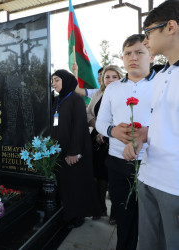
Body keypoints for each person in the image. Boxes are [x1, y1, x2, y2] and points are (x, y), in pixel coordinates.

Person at [123, 1, 179, 249]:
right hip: (148, 176)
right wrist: (143, 136)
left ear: (171, 27)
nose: (144, 41)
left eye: (148, 33)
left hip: (174, 186)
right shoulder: (163, 74)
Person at [96, 34, 155, 250]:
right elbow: (101, 122)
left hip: (153, 162)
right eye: (128, 53)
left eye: (140, 52)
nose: (133, 57)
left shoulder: (163, 83)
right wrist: (113, 131)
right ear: (122, 58)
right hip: (118, 162)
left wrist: (146, 136)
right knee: (124, 217)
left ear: (151, 55)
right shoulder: (112, 88)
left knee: (151, 221)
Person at [51, 69, 100, 228]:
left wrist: (74, 152)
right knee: (65, 183)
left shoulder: (75, 99)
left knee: (76, 183)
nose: (54, 83)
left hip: (74, 150)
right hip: (60, 150)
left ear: (66, 80)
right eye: (53, 80)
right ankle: (68, 212)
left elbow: (80, 127)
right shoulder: (57, 100)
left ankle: (77, 216)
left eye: (57, 80)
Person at [86, 65, 124, 224]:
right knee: (98, 176)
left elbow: (125, 115)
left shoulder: (125, 93)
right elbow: (88, 113)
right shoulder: (97, 93)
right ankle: (99, 208)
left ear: (120, 77)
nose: (110, 80)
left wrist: (106, 130)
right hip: (97, 139)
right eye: (107, 77)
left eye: (114, 76)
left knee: (114, 176)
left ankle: (116, 214)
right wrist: (98, 126)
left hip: (116, 138)